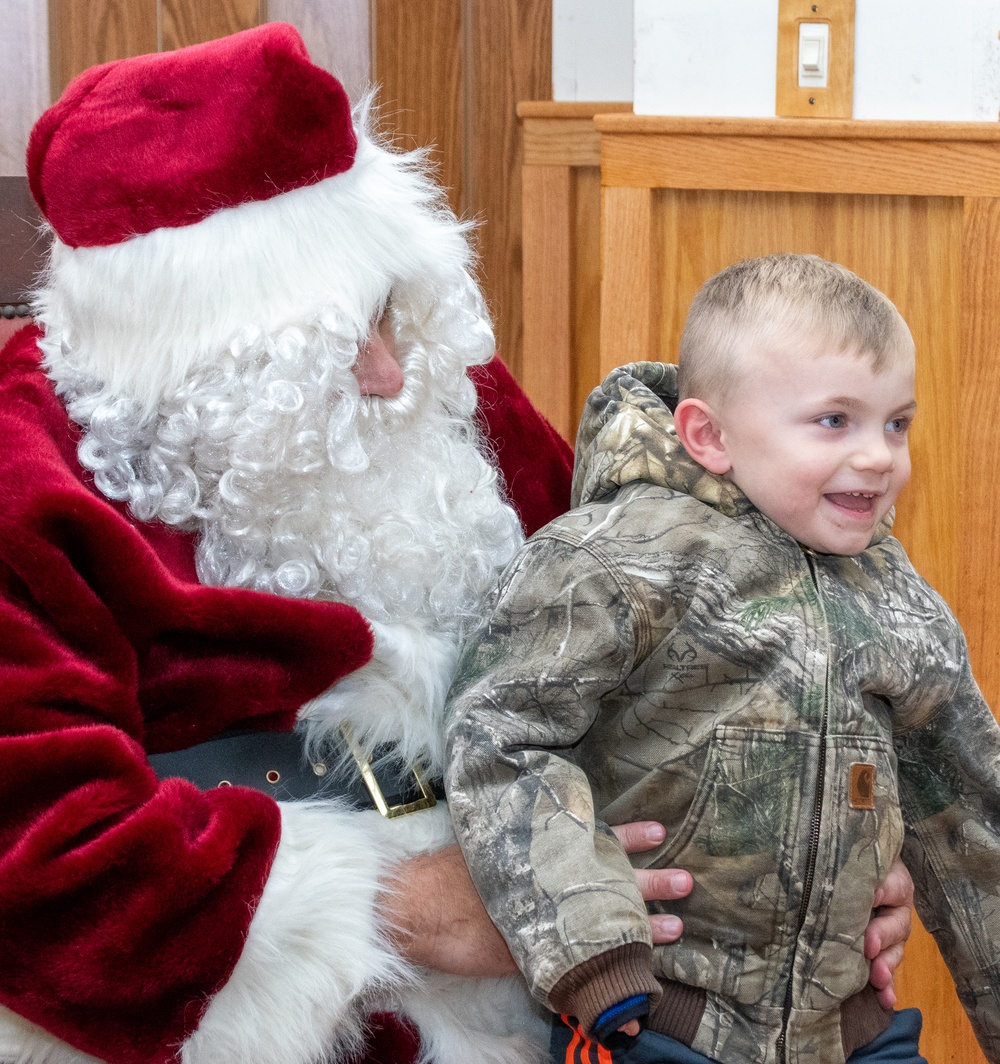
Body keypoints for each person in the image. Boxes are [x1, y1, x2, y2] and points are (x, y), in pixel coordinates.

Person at [0, 25, 912, 1064]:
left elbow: (669, 643)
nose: (391, 373)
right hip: (245, 1009)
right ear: (192, 355)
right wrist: (393, 903)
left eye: (389, 311)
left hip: (567, 964)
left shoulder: (436, 393)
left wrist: (810, 839)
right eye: (330, 346)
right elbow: (35, 854)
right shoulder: (24, 474)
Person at [445, 253, 1000, 1064]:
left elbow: (973, 820)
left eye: (897, 423)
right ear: (709, 434)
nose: (880, 457)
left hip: (852, 1033)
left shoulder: (898, 599)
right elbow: (500, 734)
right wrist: (592, 944)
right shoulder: (614, 561)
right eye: (834, 421)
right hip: (660, 1019)